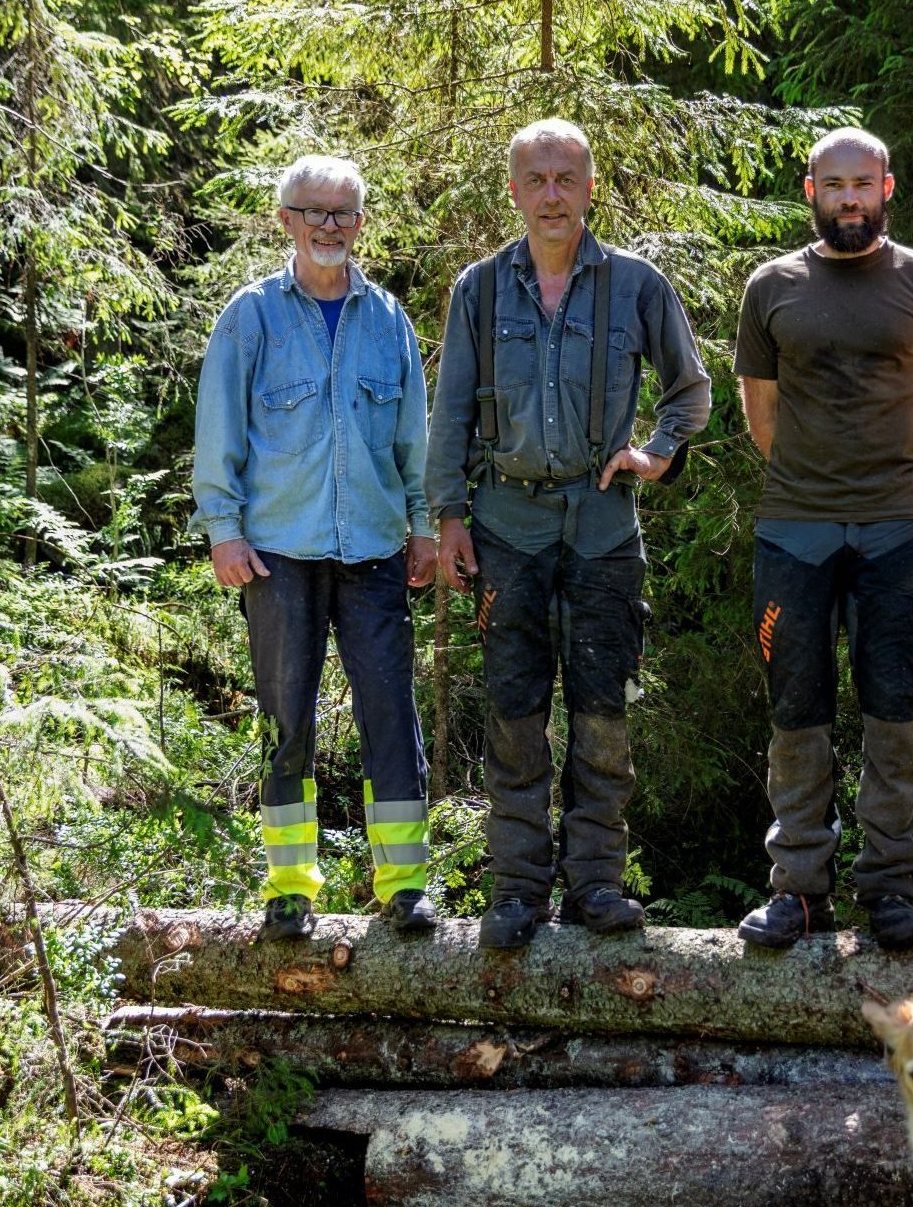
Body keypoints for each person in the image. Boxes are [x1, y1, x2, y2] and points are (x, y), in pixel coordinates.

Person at [426, 119, 713, 950]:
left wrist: (654, 454)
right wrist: (448, 516)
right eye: (536, 179)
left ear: (591, 188)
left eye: (567, 178)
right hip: (505, 527)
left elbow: (690, 391)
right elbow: (449, 413)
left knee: (602, 714)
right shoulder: (477, 291)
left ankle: (595, 882)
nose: (552, 194)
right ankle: (515, 889)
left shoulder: (636, 286)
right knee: (515, 712)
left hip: (602, 531)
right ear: (513, 191)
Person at [731, 128, 913, 950]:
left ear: (887, 187)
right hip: (793, 530)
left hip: (894, 529)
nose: (849, 198)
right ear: (810, 191)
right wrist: (815, 483)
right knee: (796, 708)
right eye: (833, 184)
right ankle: (799, 887)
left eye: (862, 183)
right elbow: (760, 415)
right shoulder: (771, 286)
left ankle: (888, 886)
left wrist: (905, 476)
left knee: (894, 706)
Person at [192, 153, 438, 942]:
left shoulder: (388, 319)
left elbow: (414, 441)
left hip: (373, 553)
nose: (330, 225)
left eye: (344, 212)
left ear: (361, 223)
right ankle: (290, 887)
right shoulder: (252, 315)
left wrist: (425, 525)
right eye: (315, 211)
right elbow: (220, 430)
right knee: (285, 723)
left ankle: (402, 885)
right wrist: (222, 529)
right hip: (278, 557)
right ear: (286, 220)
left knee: (390, 720)